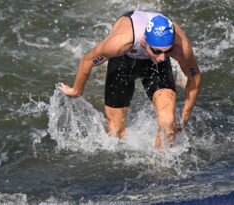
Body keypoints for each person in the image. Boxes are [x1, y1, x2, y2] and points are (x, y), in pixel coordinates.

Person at [59, 10, 201, 148]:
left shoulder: (180, 47)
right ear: (145, 40)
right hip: (123, 60)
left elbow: (194, 76)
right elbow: (88, 60)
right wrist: (76, 90)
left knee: (168, 124)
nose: (163, 57)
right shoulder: (120, 42)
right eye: (157, 51)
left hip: (156, 67)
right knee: (116, 132)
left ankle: (160, 167)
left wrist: (185, 117)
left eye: (168, 51)